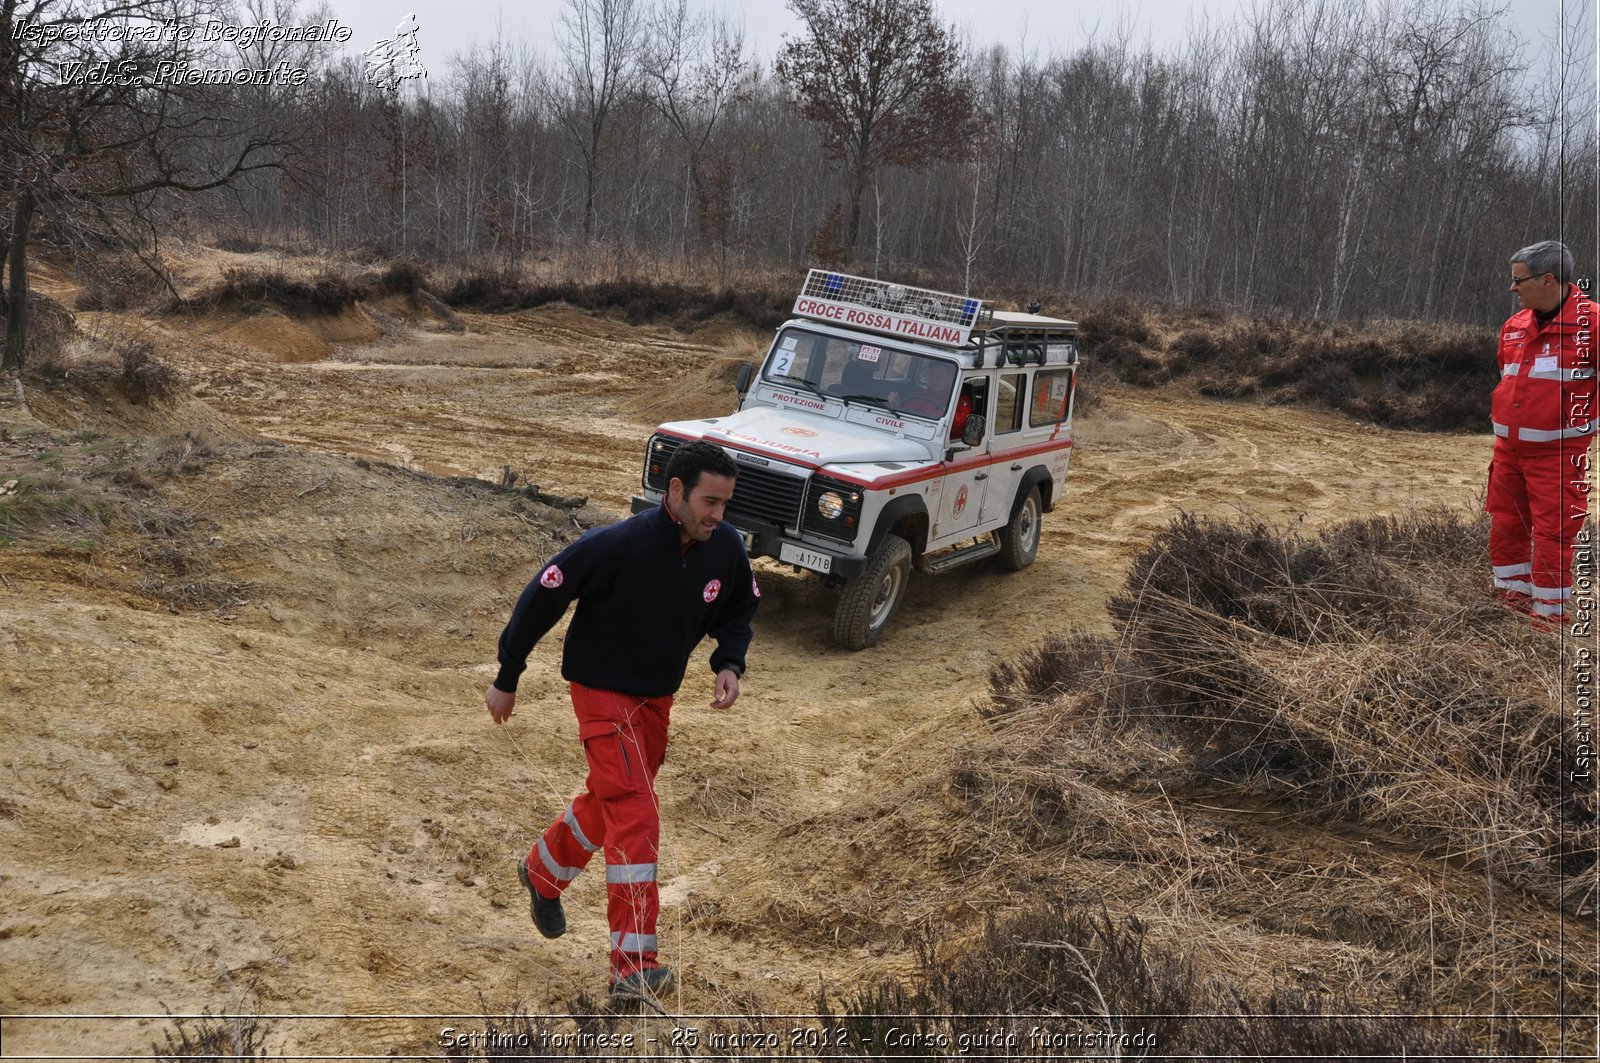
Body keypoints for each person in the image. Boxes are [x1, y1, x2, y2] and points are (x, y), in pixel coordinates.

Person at [485, 440, 759, 1001]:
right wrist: (508, 674)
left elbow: (739, 606)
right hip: (601, 692)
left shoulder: (724, 547)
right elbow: (543, 594)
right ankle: (633, 966)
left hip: (656, 702)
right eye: (710, 501)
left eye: (725, 504)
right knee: (636, 811)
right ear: (675, 491)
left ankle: (543, 872)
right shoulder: (616, 545)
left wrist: (729, 661)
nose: (718, 515)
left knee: (614, 798)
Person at [1488, 240, 1595, 626]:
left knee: (1554, 533)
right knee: (1506, 522)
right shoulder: (1513, 327)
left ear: (1549, 280)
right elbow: (1509, 379)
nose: (1512, 288)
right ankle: (1511, 599)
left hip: (1559, 456)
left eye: (1519, 280)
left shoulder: (1593, 325)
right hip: (1508, 453)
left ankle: (1549, 619)